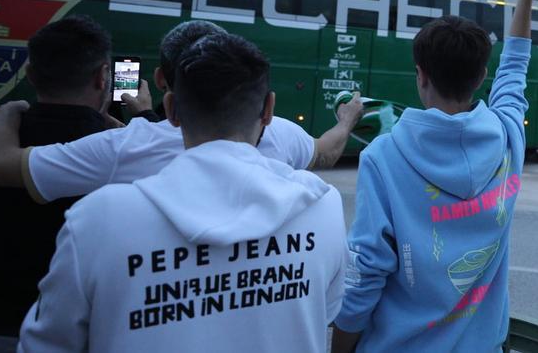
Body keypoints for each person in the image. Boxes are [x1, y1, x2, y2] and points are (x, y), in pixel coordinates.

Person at [17, 33, 348, 352]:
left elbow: (46, 343)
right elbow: (326, 311)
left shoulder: (96, 220)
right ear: (268, 110)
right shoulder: (323, 209)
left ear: (171, 109)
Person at [330, 0, 538, 351]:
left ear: (421, 75)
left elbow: (365, 273)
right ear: (481, 77)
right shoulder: (508, 136)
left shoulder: (384, 156)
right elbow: (515, 66)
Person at [0, 20, 364, 204]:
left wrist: (13, 110)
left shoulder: (123, 146)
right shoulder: (287, 143)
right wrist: (346, 120)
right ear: (266, 108)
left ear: (166, 94)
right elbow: (326, 151)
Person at [0, 16, 113, 353]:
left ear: (29, 74)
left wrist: (12, 111)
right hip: (85, 334)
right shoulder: (116, 150)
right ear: (102, 77)